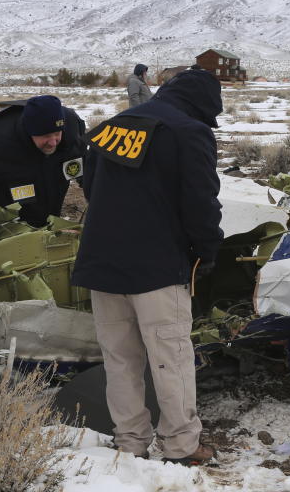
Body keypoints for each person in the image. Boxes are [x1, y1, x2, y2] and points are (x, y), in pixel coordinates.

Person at [71, 68, 223, 465]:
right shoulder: (189, 132)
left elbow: (90, 188)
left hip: (101, 262)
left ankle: (130, 442)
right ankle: (182, 445)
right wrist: (206, 251)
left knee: (120, 359)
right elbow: (200, 203)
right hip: (156, 266)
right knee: (170, 357)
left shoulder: (111, 127)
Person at [0, 95, 86, 227]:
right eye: (46, 135)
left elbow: (83, 161)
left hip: (51, 212)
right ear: (30, 131)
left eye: (57, 134)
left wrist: (92, 186)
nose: (53, 142)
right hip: (9, 220)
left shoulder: (72, 131)